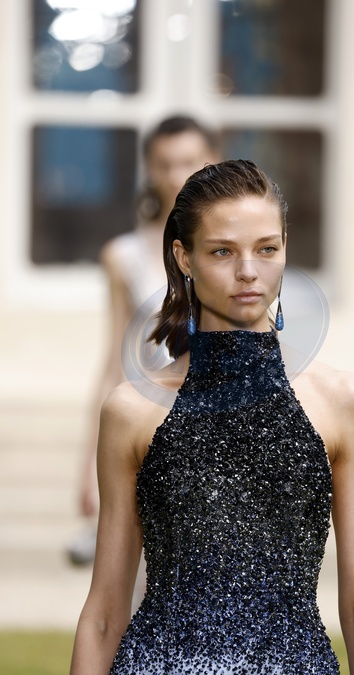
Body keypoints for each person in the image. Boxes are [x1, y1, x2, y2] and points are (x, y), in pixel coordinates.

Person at [70, 160, 354, 674]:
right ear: (185, 258)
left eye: (267, 249)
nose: (248, 272)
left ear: (285, 247)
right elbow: (105, 614)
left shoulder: (343, 402)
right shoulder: (132, 411)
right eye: (223, 251)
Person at [67, 115, 220, 564]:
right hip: (148, 429)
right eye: (164, 164)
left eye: (188, 162)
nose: (175, 175)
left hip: (220, 425)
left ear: (212, 161)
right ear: (149, 169)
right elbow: (114, 363)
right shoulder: (123, 255)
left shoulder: (236, 250)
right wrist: (90, 465)